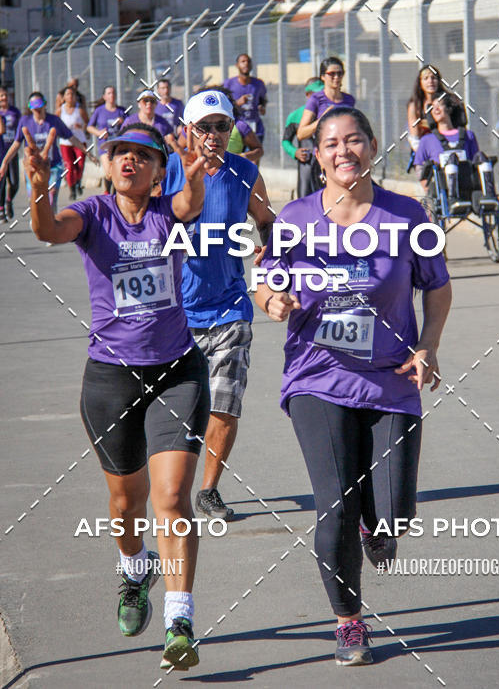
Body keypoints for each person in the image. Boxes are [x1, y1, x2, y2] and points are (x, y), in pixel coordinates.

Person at [256, 106, 451, 666]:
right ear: (317, 156)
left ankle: (377, 524)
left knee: (394, 513)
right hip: (318, 375)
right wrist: (273, 301)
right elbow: (265, 281)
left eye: (355, 140)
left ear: (372, 145)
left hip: (392, 377)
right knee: (335, 503)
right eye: (332, 143)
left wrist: (428, 345)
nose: (344, 150)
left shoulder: (407, 215)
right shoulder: (295, 219)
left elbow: (438, 287)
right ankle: (348, 621)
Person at [24, 121, 211, 672]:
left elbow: (190, 202)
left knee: (171, 497)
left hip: (177, 372)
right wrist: (39, 187)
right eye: (120, 153)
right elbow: (48, 231)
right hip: (111, 378)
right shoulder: (93, 213)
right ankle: (134, 571)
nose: (129, 160)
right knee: (126, 504)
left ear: (158, 172)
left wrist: (194, 174)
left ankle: (180, 621)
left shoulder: (168, 212)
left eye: (142, 155)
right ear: (107, 166)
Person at [162, 89, 275, 522]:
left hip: (230, 308)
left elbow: (266, 222)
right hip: (177, 313)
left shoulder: (245, 172)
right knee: (178, 410)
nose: (213, 134)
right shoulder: (169, 171)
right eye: (204, 127)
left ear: (231, 129)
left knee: (225, 404)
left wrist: (271, 252)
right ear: (188, 131)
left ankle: (208, 490)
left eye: (222, 126)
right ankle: (172, 488)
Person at [0, 92, 87, 213]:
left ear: (45, 105)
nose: (37, 109)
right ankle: (37, 221)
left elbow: (71, 137)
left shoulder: (54, 120)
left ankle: (51, 220)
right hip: (33, 167)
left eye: (39, 105)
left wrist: (87, 151)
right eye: (34, 106)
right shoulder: (25, 121)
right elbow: (16, 144)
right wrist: (4, 162)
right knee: (35, 200)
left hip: (53, 165)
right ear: (30, 108)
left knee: (51, 198)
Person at [414, 93, 482, 208]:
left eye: (439, 105)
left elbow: (476, 162)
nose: (435, 109)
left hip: (467, 183)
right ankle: (452, 199)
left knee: (482, 158)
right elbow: (419, 166)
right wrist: (427, 189)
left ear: (449, 109)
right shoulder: (427, 140)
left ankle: (488, 197)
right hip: (442, 189)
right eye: (432, 107)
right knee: (451, 161)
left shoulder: (468, 136)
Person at [296, 57, 355, 142]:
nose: (336, 77)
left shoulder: (349, 99)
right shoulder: (315, 99)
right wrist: (322, 120)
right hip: (325, 149)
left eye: (340, 73)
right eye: (332, 74)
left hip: (345, 148)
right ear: (323, 76)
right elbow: (301, 134)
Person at [282, 78, 323, 198]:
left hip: (326, 165)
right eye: (316, 94)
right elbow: (285, 141)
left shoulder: (329, 113)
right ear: (308, 94)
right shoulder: (295, 116)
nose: (320, 97)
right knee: (305, 200)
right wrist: (295, 152)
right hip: (306, 166)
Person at [86, 85, 126, 194]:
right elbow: (89, 127)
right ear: (104, 96)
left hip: (119, 146)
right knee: (109, 172)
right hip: (105, 145)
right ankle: (107, 191)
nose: (111, 95)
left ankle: (114, 195)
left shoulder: (122, 111)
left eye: (113, 93)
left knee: (117, 172)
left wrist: (123, 122)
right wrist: (99, 133)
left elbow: (131, 126)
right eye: (109, 93)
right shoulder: (99, 111)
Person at [223, 53, 267, 142]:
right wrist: (237, 103)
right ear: (237, 65)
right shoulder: (229, 84)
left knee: (256, 150)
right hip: (236, 129)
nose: (246, 63)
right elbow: (223, 105)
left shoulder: (258, 84)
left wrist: (262, 107)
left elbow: (263, 99)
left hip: (255, 128)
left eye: (248, 61)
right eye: (243, 61)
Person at [122, 89, 179, 156]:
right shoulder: (130, 121)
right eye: (145, 100)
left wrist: (171, 141)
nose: (149, 103)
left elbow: (173, 143)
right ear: (139, 104)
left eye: (152, 101)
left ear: (156, 104)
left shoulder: (163, 123)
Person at [58, 85, 89, 200]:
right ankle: (72, 190)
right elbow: (55, 125)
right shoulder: (60, 110)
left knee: (80, 165)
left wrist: (81, 127)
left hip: (80, 142)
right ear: (64, 97)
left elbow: (88, 124)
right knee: (70, 166)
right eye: (68, 94)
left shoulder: (79, 110)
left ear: (76, 97)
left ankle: (78, 181)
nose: (70, 96)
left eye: (72, 94)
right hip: (65, 143)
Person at [406, 64, 443, 153]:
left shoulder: (448, 101)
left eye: (433, 78)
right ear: (420, 83)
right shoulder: (415, 106)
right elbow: (414, 138)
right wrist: (423, 153)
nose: (430, 81)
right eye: (426, 78)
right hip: (423, 150)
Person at [0, 86, 21, 220]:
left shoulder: (15, 112)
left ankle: (9, 200)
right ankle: (1, 210)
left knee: (14, 183)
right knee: (1, 182)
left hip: (12, 151)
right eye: (1, 95)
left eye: (5, 95)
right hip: (1, 152)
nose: (4, 98)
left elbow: (21, 128)